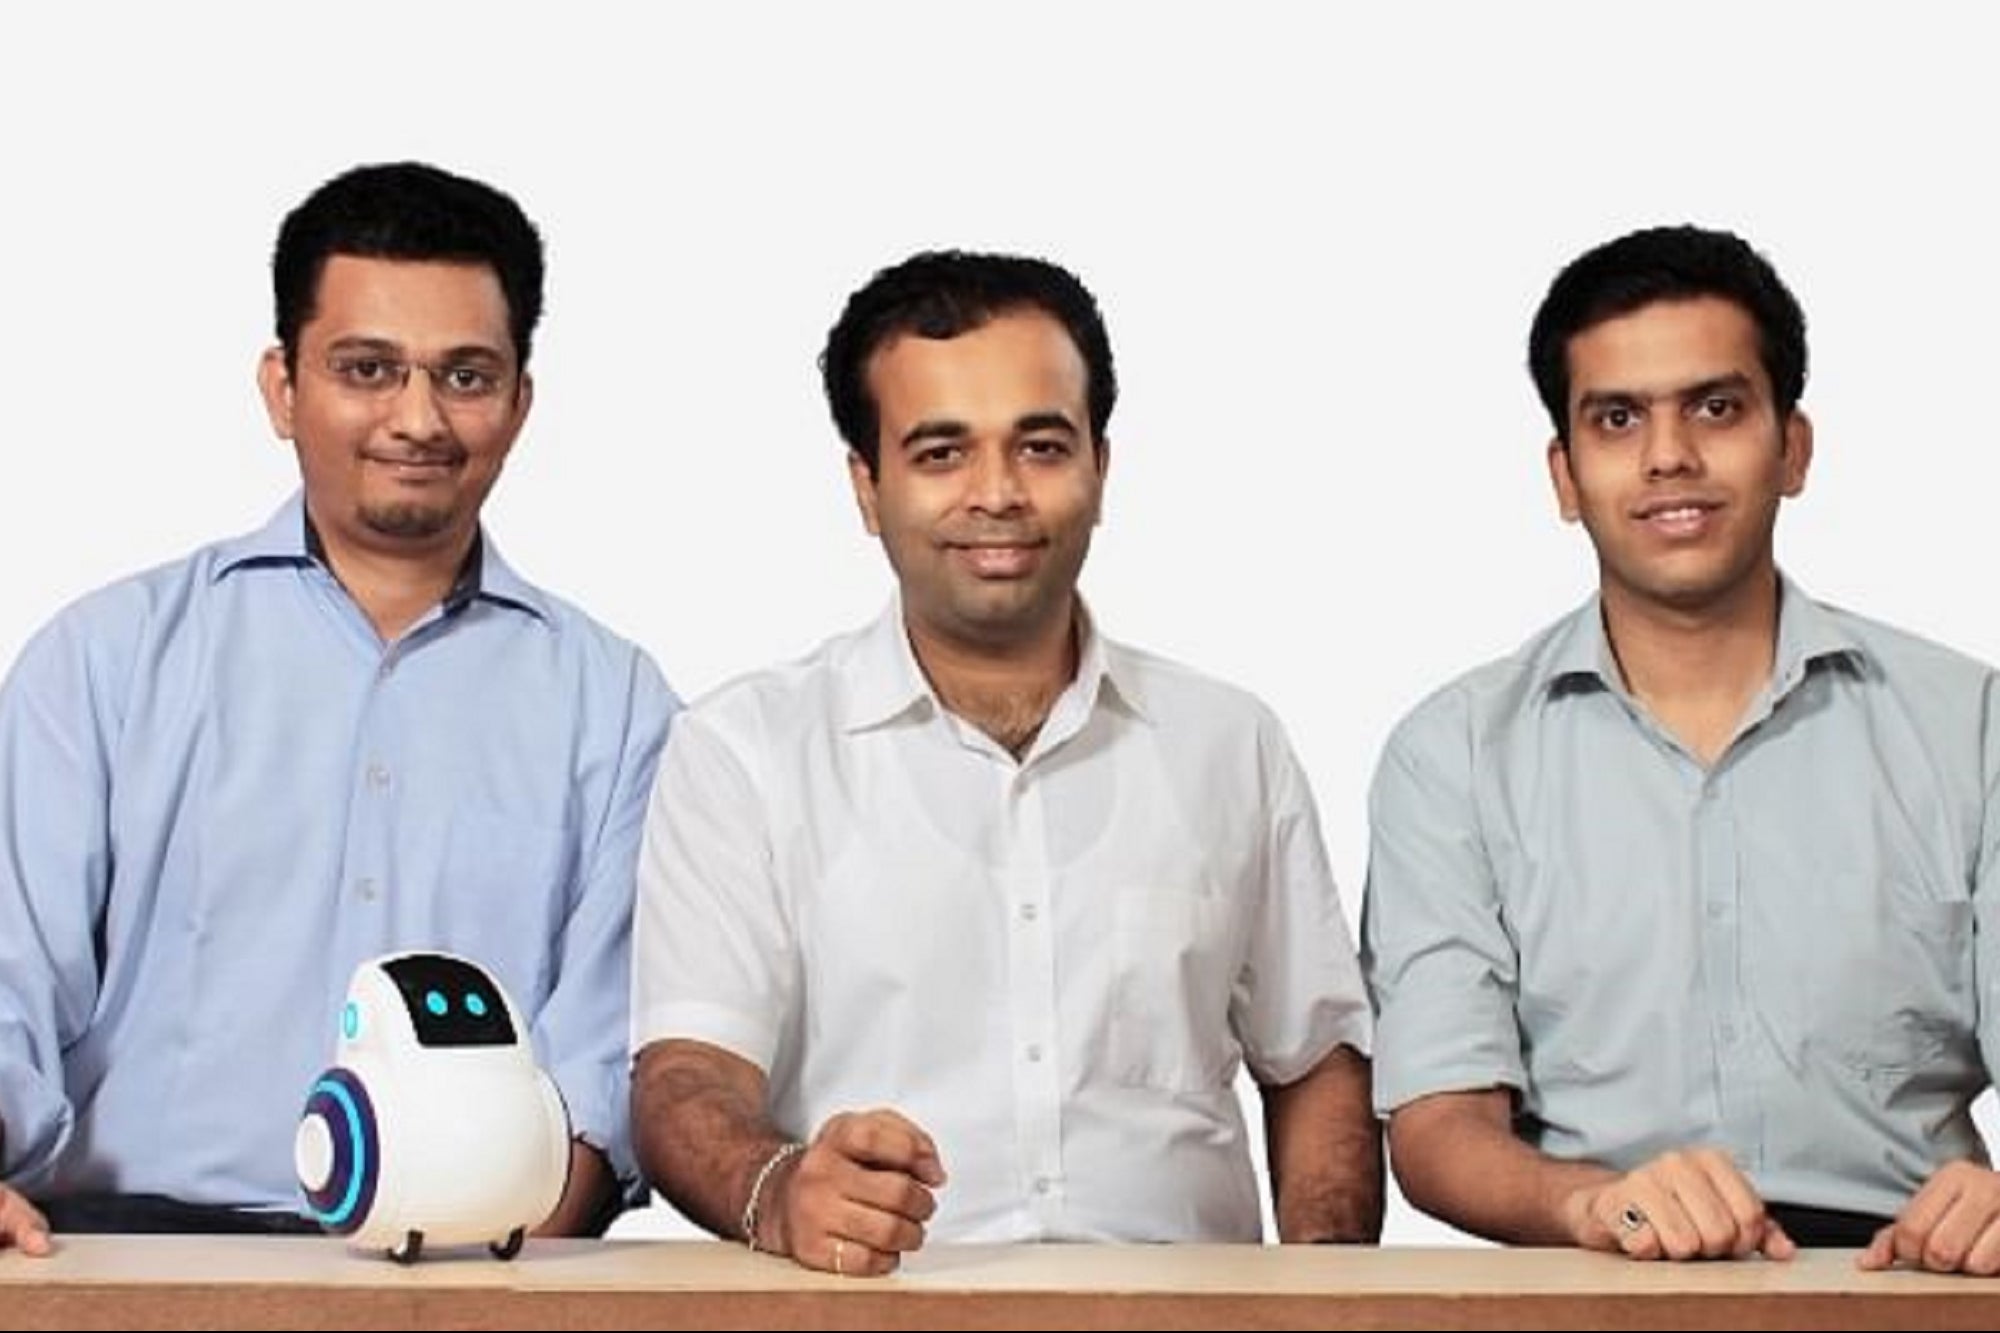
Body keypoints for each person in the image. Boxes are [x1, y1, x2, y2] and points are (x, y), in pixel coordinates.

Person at [629, 250, 1380, 1274]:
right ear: (866, 486)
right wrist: (779, 1189)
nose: (996, 493)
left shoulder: (1229, 743)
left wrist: (1325, 1291)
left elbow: (1316, 1062)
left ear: (1099, 468)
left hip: (1183, 1314)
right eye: (940, 452)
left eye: (1040, 446)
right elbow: (685, 1077)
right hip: (873, 1312)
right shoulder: (744, 751)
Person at [0, 162, 677, 1253]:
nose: (418, 418)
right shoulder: (104, 663)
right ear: (282, 387)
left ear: (520, 403)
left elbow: (604, 1066)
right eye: (368, 369)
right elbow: (7, 980)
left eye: (465, 375)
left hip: (479, 1271)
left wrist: (500, 1290)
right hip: (124, 1257)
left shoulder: (618, 707)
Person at [1361, 224, 2000, 1274]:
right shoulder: (1454, 755)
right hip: (1596, 1271)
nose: (1668, 455)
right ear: (1565, 476)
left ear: (1791, 448)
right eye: (1617, 418)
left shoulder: (1968, 726)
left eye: (1715, 407)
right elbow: (1438, 1130)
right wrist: (1592, 1206)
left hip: (1906, 1280)